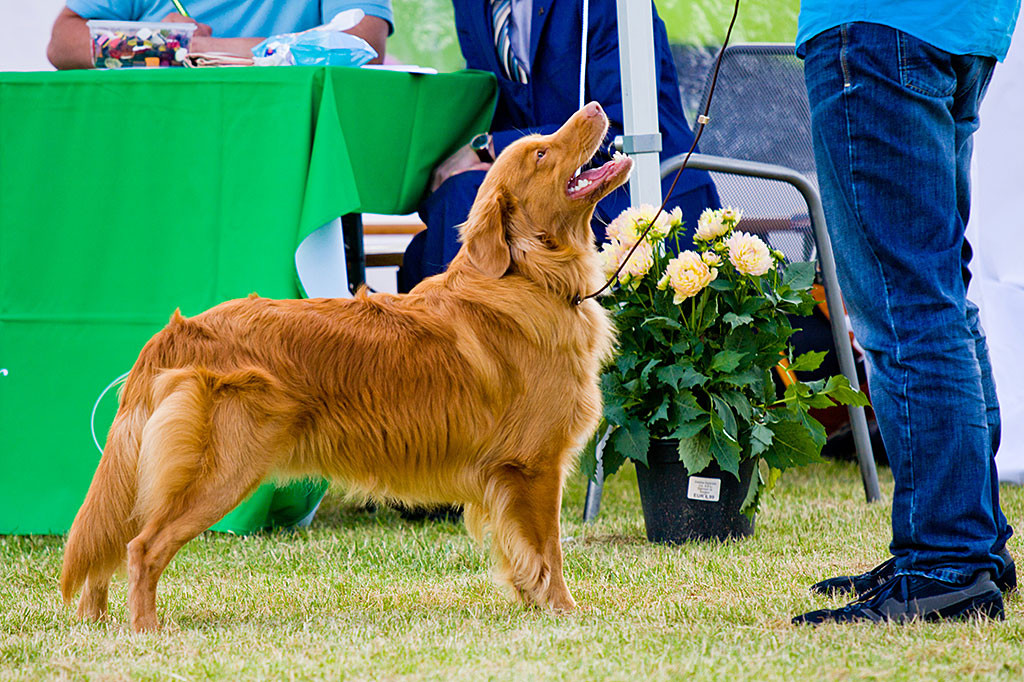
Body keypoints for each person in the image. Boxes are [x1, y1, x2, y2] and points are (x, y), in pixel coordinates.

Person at [793, 1, 1019, 624]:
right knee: (936, 290)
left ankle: (947, 561)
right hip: (961, 28)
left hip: (877, 24)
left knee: (906, 305)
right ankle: (970, 543)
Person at [398, 0, 718, 290]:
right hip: (553, 192)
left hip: (642, 187)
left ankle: (465, 344)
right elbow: (498, 103)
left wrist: (488, 147)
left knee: (463, 197)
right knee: (431, 240)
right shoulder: (472, 6)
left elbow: (623, 121)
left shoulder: (606, 4)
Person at [47, 0, 393, 70]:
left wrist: (188, 48)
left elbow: (361, 44)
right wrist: (156, 44)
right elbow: (63, 43)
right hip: (149, 132)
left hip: (279, 139)